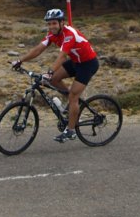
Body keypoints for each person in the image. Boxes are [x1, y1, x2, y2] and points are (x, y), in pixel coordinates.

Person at [11, 8, 100, 143]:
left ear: (61, 22)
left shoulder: (69, 34)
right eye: (49, 23)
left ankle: (70, 131)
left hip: (88, 64)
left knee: (73, 96)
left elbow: (62, 56)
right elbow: (38, 49)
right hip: (75, 62)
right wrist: (20, 60)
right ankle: (71, 104)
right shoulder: (52, 34)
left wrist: (49, 72)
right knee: (54, 80)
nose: (51, 26)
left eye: (54, 23)